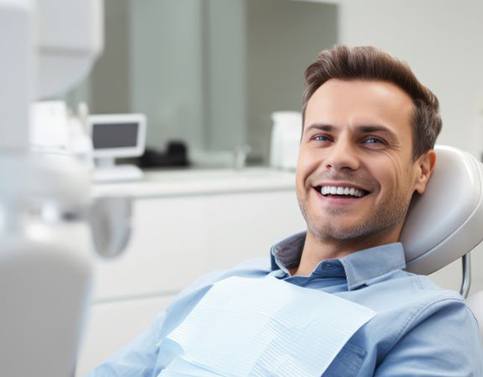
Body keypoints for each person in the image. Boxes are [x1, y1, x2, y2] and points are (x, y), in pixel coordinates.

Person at [88, 46, 483, 377]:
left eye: (373, 140)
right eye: (321, 137)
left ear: (422, 170)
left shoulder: (430, 323)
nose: (339, 158)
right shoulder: (221, 286)